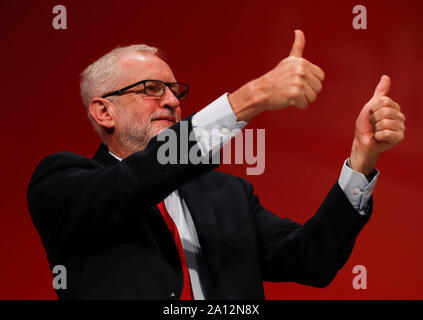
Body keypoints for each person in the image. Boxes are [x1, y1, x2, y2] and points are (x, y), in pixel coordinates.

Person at [27, 30, 405, 300]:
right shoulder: (63, 183)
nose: (173, 101)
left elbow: (311, 260)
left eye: (176, 91)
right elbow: (134, 182)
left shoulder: (227, 194)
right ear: (104, 111)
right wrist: (249, 99)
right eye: (152, 89)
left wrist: (361, 160)